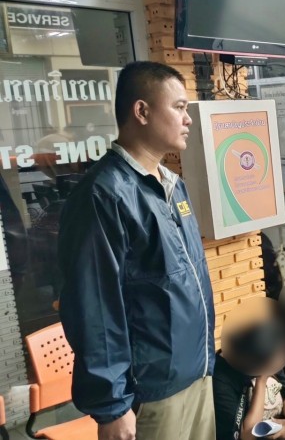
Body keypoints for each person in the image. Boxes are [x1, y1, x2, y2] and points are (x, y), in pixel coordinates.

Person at [58, 62, 215, 440]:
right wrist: (112, 405)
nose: (188, 119)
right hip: (151, 391)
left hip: (196, 373)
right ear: (142, 111)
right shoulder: (104, 194)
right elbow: (94, 307)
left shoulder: (172, 184)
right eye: (178, 107)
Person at [213, 300, 285, 440]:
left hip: (278, 425)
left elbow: (284, 391)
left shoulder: (269, 350)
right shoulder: (221, 376)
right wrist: (261, 380)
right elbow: (246, 435)